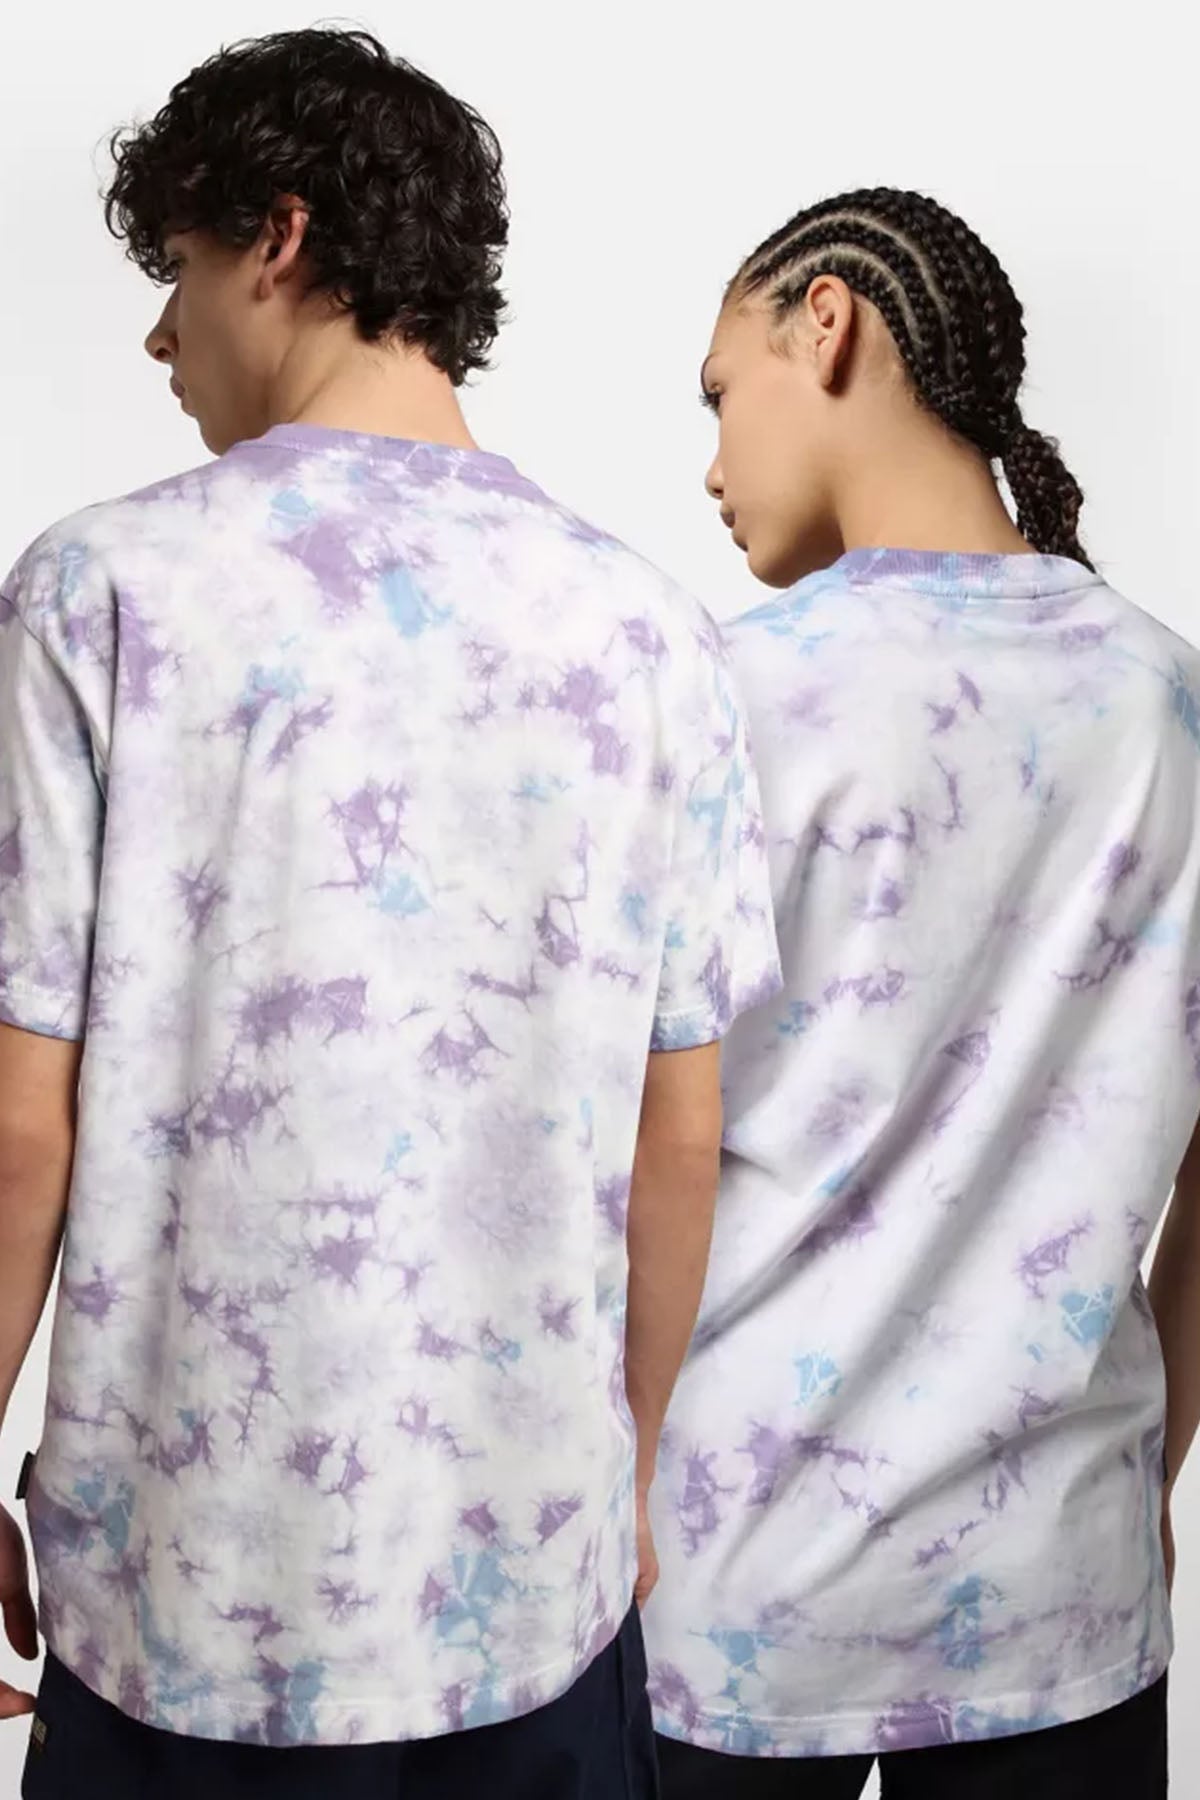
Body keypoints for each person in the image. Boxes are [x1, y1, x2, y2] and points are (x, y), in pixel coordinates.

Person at [0, 29, 781, 1797]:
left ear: (279, 239)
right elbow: (682, 1129)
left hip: (190, 1618)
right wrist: (622, 1475)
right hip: (534, 1605)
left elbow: (22, 1121)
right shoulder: (652, 635)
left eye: (178, 268)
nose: (160, 334)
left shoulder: (101, 590)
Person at [643, 186, 1197, 1798]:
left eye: (719, 395)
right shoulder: (1166, 701)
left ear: (825, 325)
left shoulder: (730, 695)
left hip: (736, 1584)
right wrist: (1149, 1465)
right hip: (1061, 1589)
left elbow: (619, 1152)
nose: (711, 464)